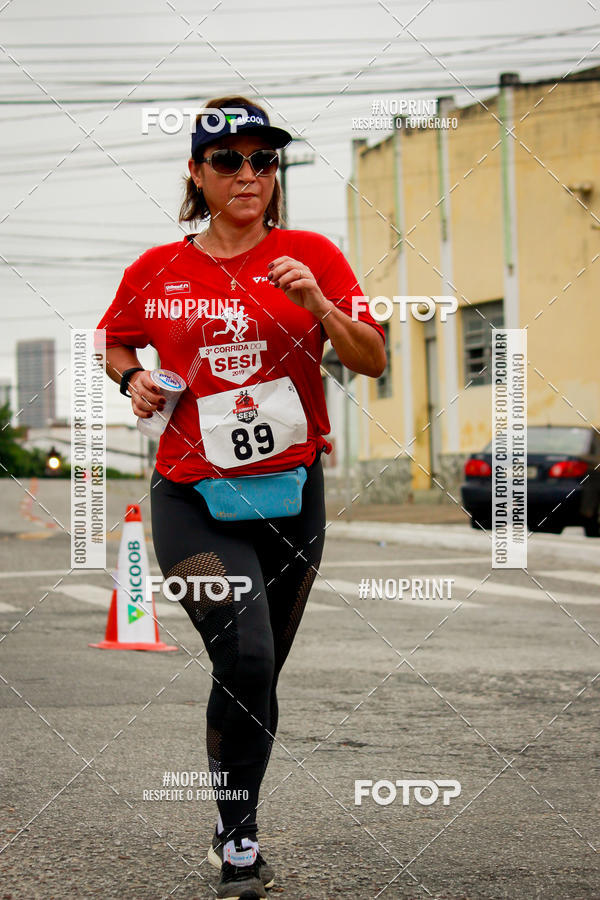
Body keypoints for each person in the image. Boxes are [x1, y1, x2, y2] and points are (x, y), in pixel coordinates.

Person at [97, 95, 386, 900]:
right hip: (191, 494)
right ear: (197, 171)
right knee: (247, 650)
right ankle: (239, 844)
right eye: (229, 161)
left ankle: (234, 825)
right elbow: (115, 337)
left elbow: (372, 360)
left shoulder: (313, 256)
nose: (249, 174)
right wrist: (134, 379)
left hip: (293, 496)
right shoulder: (159, 269)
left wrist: (320, 306)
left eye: (264, 160)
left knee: (258, 673)